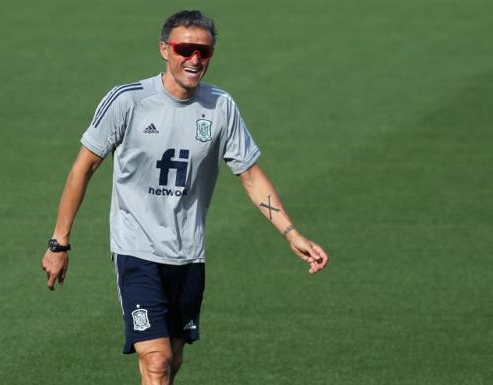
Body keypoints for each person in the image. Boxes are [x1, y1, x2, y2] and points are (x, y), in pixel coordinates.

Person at [41, 9, 329, 385]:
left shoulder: (220, 107)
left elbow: (251, 176)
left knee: (172, 362)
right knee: (157, 360)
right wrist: (59, 242)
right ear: (165, 49)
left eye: (204, 52)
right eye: (185, 49)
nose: (194, 59)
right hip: (136, 250)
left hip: (188, 254)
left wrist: (292, 234)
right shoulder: (128, 101)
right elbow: (83, 168)